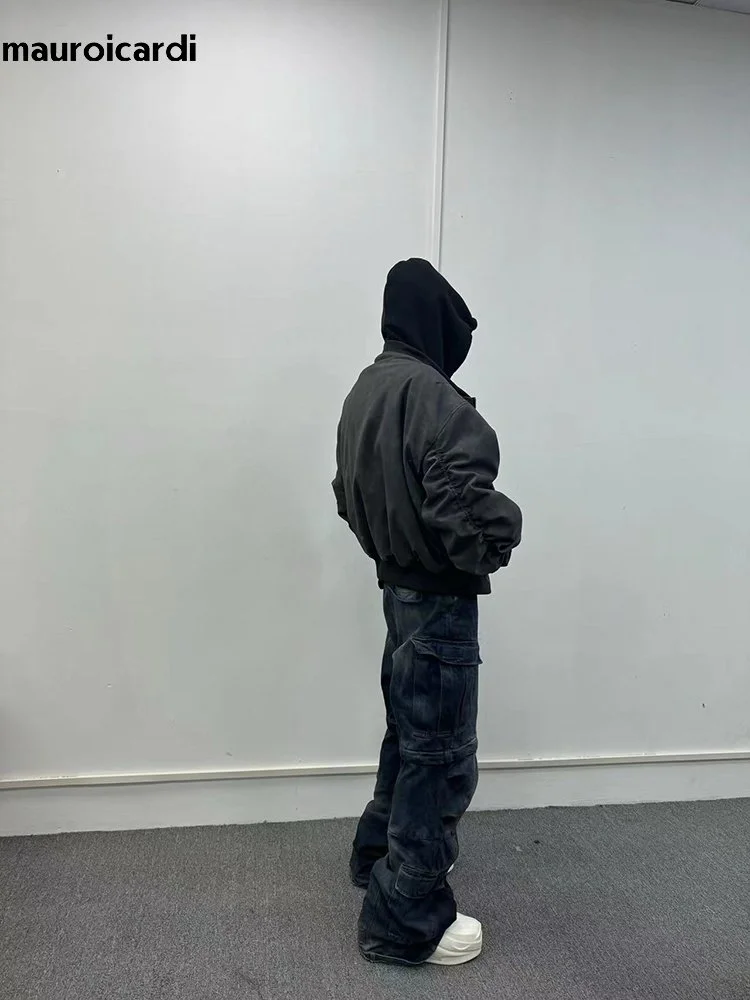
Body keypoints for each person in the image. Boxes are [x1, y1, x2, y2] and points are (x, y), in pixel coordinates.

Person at [332, 258, 522, 967]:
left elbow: (347, 493)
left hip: (397, 588)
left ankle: (375, 856)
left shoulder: (366, 388)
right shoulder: (434, 398)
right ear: (438, 323)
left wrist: (393, 551)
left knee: (409, 733)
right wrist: (496, 544)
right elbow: (469, 513)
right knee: (441, 756)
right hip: (439, 597)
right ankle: (405, 917)